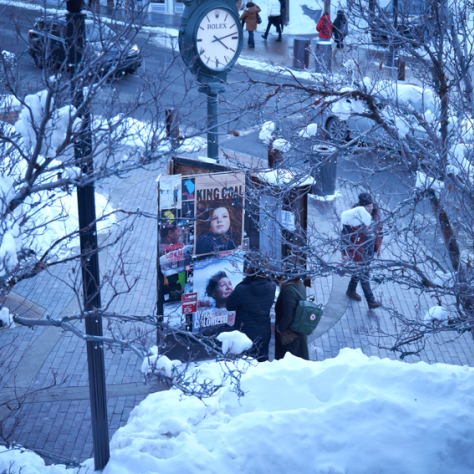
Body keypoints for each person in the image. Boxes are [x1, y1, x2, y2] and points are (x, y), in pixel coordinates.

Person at [342, 193, 383, 310]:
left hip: (370, 250)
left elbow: (380, 229)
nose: (370, 209)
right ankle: (371, 301)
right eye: (367, 207)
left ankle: (351, 290)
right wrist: (344, 253)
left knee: (359, 271)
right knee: (364, 274)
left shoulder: (375, 214)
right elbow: (344, 236)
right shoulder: (352, 217)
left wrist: (378, 244)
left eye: (371, 206)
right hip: (359, 252)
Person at [226, 267, 276, 362]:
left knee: (246, 363)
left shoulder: (242, 289)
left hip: (245, 333)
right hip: (264, 332)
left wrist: (243, 283)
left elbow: (229, 305)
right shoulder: (272, 287)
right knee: (262, 361)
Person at [275, 277, 309, 360]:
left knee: (289, 361)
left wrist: (279, 328)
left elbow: (288, 315)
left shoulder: (288, 291)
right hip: (298, 332)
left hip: (290, 336)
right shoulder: (300, 284)